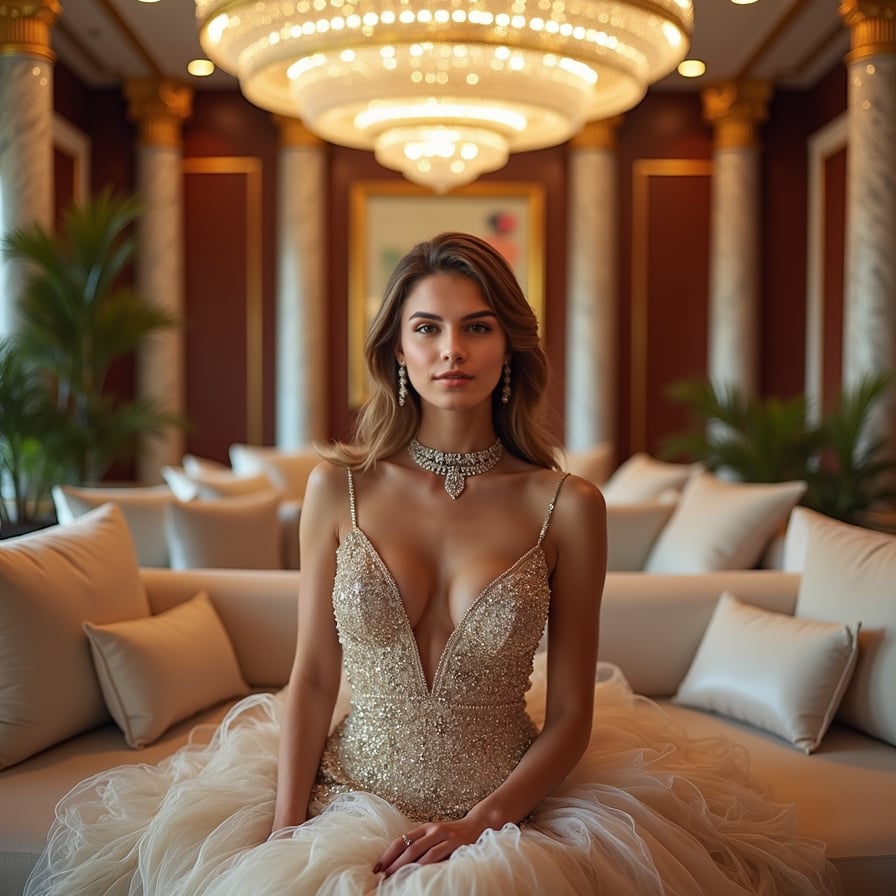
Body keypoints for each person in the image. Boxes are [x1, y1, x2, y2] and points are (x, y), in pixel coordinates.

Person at [26, 232, 839, 896]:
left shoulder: (568, 505)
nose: (453, 350)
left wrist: (481, 825)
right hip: (343, 796)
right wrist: (282, 832)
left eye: (477, 326)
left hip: (507, 817)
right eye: (428, 327)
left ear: (509, 345)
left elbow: (569, 716)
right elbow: (311, 676)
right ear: (397, 351)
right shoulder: (336, 490)